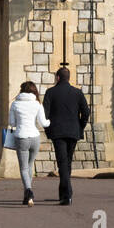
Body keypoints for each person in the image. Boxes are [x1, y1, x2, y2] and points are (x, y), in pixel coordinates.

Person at [43, 66, 90, 205]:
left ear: (57, 77)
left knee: (63, 162)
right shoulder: (78, 93)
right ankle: (63, 193)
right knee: (67, 162)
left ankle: (67, 194)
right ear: (68, 77)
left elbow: (45, 114)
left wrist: (48, 129)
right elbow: (86, 112)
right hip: (73, 131)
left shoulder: (50, 92)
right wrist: (80, 125)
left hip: (58, 132)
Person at [7, 81, 49, 205]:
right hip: (35, 137)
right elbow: (44, 123)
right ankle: (27, 196)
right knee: (30, 165)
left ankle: (29, 191)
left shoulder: (15, 104)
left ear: (21, 90)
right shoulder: (37, 104)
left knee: (24, 168)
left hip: (21, 137)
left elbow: (12, 123)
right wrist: (51, 121)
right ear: (34, 91)